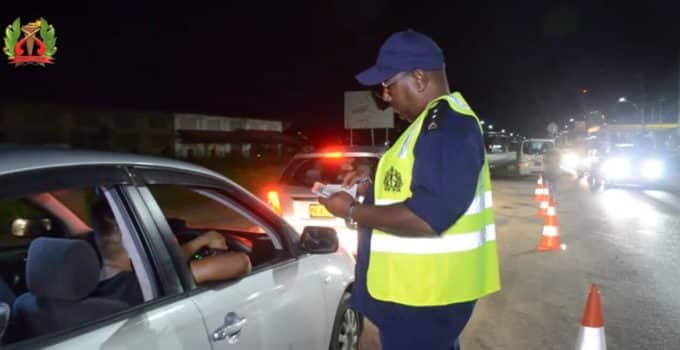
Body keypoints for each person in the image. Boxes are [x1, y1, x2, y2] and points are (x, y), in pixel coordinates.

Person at [319, 29, 501, 350]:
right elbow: (412, 183)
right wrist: (369, 181)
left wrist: (349, 210)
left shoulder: (446, 128)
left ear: (418, 78)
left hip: (426, 298)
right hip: (417, 294)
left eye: (388, 86)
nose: (385, 97)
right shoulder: (426, 126)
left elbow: (428, 216)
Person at [90, 199, 251, 305]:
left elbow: (165, 261)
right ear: (130, 239)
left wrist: (201, 241)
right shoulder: (140, 285)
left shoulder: (89, 284)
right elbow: (241, 262)